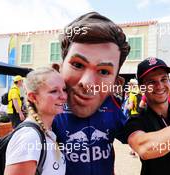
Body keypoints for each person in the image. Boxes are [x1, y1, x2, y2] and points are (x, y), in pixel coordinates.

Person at [51, 12, 130, 175]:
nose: (87, 84)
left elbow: (140, 140)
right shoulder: (50, 112)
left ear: (116, 82)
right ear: (58, 69)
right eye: (78, 65)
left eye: (103, 71)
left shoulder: (112, 109)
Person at [4, 67, 67, 175]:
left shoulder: (48, 131)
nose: (63, 96)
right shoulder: (29, 137)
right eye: (54, 91)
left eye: (64, 89)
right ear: (33, 97)